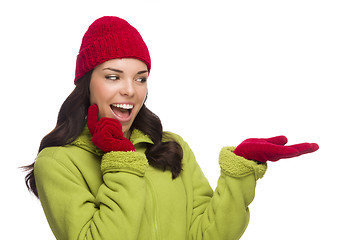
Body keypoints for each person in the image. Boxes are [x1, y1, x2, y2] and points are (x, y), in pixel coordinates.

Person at [24, 16, 319, 240]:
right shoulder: (58, 162)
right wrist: (119, 158)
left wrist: (238, 173)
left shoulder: (170, 146)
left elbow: (206, 234)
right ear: (87, 83)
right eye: (113, 77)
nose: (130, 90)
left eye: (140, 78)